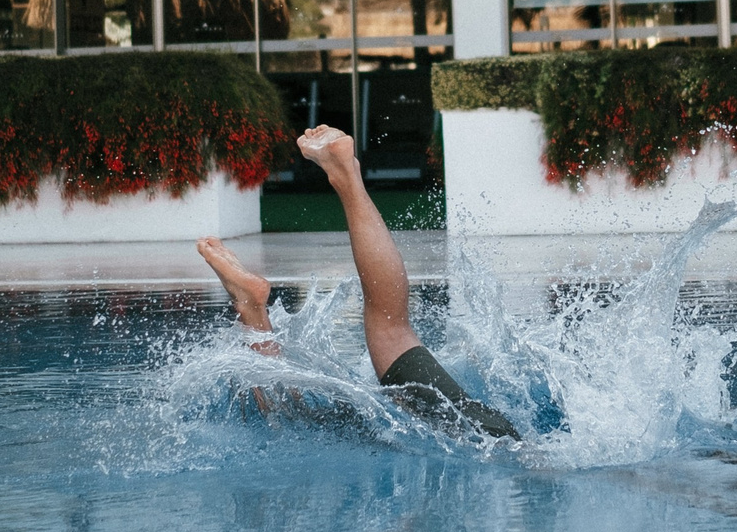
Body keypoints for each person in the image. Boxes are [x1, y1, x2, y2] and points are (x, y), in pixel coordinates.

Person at [196, 124, 521, 441]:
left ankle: (347, 178)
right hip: (486, 439)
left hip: (485, 428)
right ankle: (250, 308)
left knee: (391, 330)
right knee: (298, 422)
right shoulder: (510, 450)